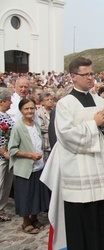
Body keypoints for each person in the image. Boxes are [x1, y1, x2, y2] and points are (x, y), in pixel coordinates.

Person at [41, 57, 104, 249]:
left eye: (91, 73)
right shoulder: (65, 104)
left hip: (102, 170)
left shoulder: (99, 100)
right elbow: (66, 136)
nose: (90, 78)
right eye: (85, 74)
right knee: (84, 222)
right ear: (73, 76)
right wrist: (94, 124)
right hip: (80, 173)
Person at [8, 98, 50, 234]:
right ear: (21, 110)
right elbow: (12, 149)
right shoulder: (18, 127)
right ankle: (26, 221)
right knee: (25, 195)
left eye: (32, 108)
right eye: (26, 108)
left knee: (37, 193)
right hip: (25, 167)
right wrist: (30, 155)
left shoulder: (35, 124)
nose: (30, 111)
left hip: (38, 165)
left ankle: (34, 217)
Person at [0, 88, 14, 222]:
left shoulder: (7, 115)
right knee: (0, 183)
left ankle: (1, 209)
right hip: (2, 155)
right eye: (9, 100)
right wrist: (3, 151)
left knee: (7, 185)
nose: (11, 103)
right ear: (1, 101)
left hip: (9, 154)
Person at [36, 92, 53, 163]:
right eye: (47, 99)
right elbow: (41, 127)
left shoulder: (54, 111)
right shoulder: (39, 113)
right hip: (45, 142)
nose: (50, 101)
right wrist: (52, 128)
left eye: (51, 99)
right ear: (42, 102)